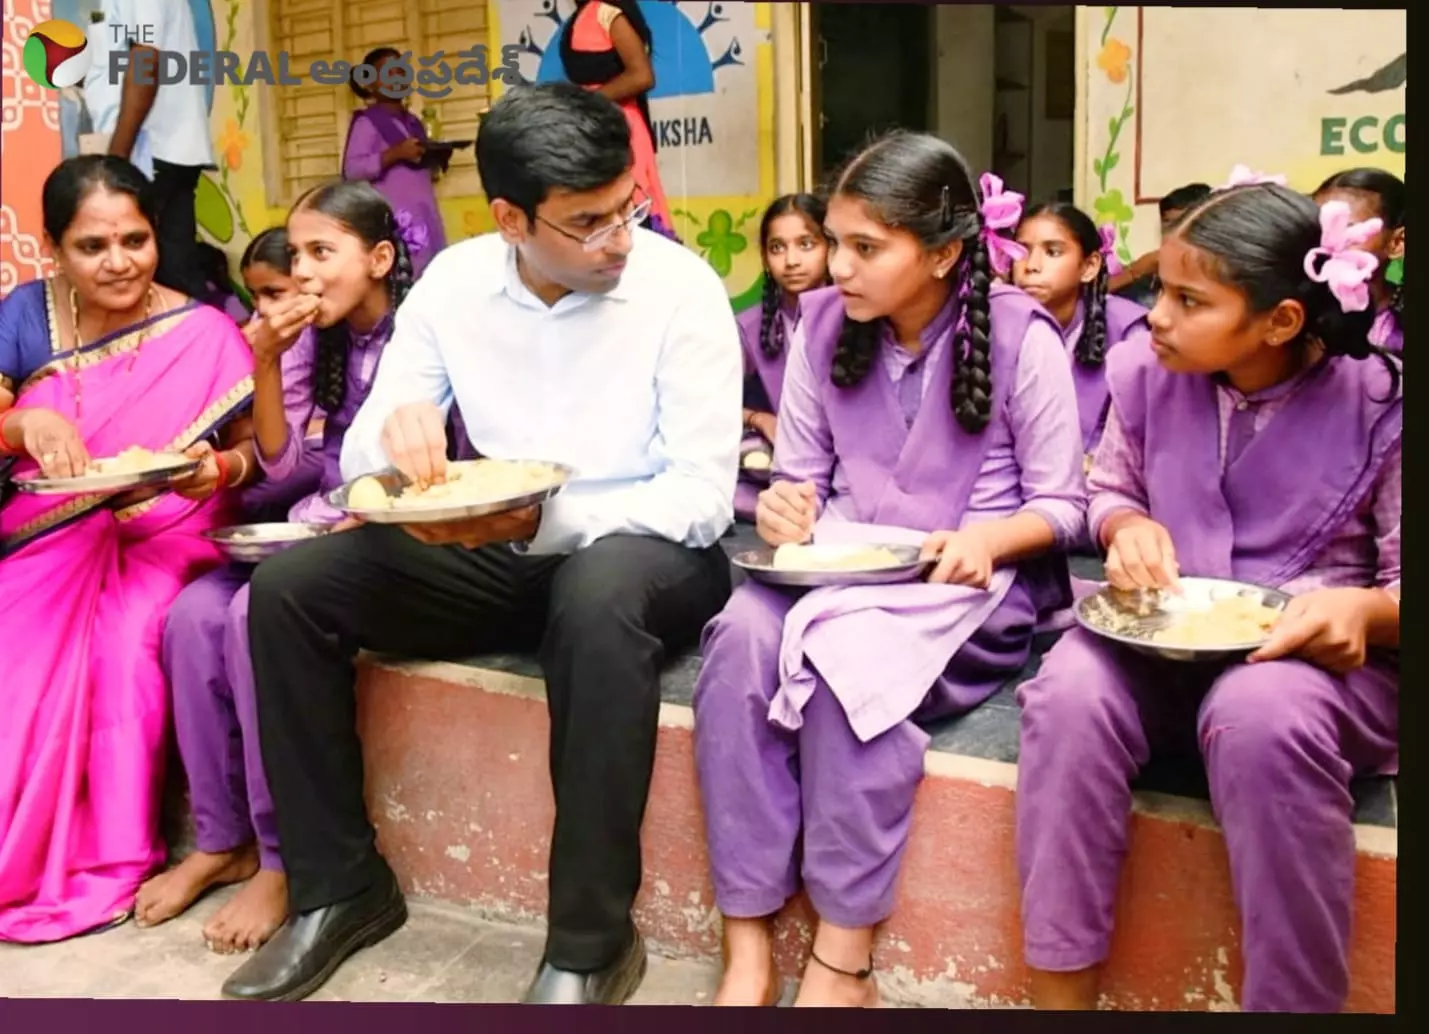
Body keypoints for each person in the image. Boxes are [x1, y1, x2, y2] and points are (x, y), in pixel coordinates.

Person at [218, 82, 741, 1004]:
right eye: (588, 223)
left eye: (627, 210)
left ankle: (588, 945)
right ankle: (340, 889)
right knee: (291, 589)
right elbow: (358, 458)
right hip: (501, 545)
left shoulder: (679, 289)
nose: (620, 238)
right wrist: (404, 433)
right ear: (509, 218)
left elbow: (701, 498)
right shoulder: (457, 286)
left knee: (597, 595)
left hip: (648, 546)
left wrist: (541, 523)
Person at [693, 133, 1088, 1008]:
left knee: (845, 670)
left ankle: (843, 956)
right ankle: (747, 938)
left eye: (863, 248)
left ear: (945, 253)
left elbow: (1065, 506)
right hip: (839, 566)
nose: (836, 268)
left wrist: (989, 542)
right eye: (832, 242)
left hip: (964, 588)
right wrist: (790, 505)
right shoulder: (822, 326)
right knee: (736, 644)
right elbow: (799, 475)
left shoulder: (1023, 337)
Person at [1015, 182, 1400, 1013]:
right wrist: (1123, 528)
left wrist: (1365, 610)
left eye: (1190, 300)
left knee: (1260, 712)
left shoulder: (1380, 405)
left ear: (1281, 322)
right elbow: (1109, 487)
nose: (1155, 315)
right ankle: (1057, 998)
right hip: (1161, 638)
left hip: (1310, 662)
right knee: (1069, 690)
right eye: (1161, 291)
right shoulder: (1149, 375)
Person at [135, 185, 415, 955]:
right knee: (193, 614)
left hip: (383, 535)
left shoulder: (420, 336)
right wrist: (264, 360)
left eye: (322, 253)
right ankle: (223, 841)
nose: (303, 274)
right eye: (296, 256)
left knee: (246, 614)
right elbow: (283, 470)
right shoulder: (307, 340)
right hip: (306, 529)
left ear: (380, 259)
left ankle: (284, 855)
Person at [0, 155, 258, 944]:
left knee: (125, 645)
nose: (118, 262)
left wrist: (216, 469)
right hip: (51, 531)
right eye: (92, 246)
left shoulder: (203, 328)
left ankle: (110, 858)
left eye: (135, 239)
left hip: (166, 530)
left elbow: (254, 451)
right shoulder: (26, 314)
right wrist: (22, 427)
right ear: (54, 248)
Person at [1013, 202, 1150, 460]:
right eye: (1021, 252)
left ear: (1089, 266)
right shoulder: (996, 323)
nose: (1031, 265)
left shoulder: (1128, 331)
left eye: (1052, 252)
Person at [100, 0, 216, 300]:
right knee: (175, 274)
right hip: (166, 150)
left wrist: (117, 158)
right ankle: (203, 345)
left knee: (151, 279)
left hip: (150, 152)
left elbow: (145, 58)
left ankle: (200, 344)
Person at [736, 193, 830, 522]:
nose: (791, 260)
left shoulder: (859, 318)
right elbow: (706, 403)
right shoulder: (746, 326)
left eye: (806, 244)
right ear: (764, 257)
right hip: (771, 481)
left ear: (830, 247)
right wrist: (759, 419)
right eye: (777, 247)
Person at [559, 0, 678, 240]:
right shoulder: (580, 16)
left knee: (635, 222)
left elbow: (642, 75)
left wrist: (587, 101)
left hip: (624, 131)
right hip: (594, 130)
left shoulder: (609, 13)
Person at [342, 47, 449, 277]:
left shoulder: (413, 123)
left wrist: (435, 157)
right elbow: (352, 170)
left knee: (432, 277)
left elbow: (420, 169)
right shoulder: (368, 122)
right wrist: (395, 154)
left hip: (425, 216)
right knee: (402, 279)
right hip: (398, 221)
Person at [1314, 168, 1405, 354]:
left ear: (1397, 243)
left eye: (1348, 231)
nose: (1327, 243)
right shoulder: (1298, 313)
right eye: (1319, 228)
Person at [1109, 183, 1213, 307]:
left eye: (1181, 223)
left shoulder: (1219, 276)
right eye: (1167, 224)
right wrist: (1134, 272)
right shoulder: (1149, 271)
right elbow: (1092, 298)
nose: (1172, 233)